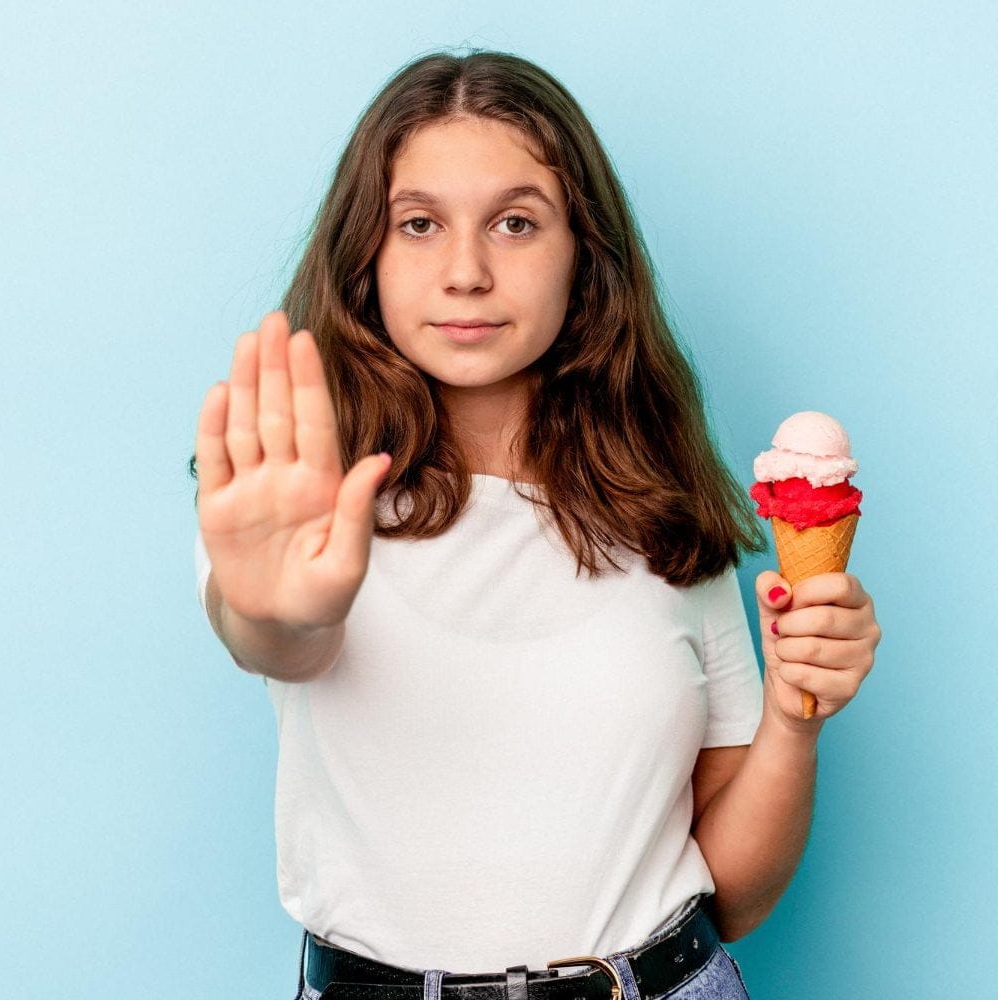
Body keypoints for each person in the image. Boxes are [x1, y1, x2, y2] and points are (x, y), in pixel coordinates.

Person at [189, 49, 881, 1000]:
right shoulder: (297, 502)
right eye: (419, 225)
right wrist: (275, 611)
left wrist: (796, 717)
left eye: (516, 223)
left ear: (583, 256)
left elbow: (734, 894)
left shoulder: (660, 513)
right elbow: (275, 631)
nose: (466, 272)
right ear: (367, 256)